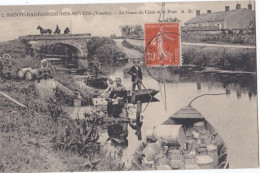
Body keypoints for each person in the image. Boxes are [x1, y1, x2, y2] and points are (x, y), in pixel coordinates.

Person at [107, 78, 128, 146]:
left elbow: (125, 96)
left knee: (118, 104)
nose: (117, 82)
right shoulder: (114, 87)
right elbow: (111, 94)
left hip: (121, 100)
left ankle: (115, 115)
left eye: (118, 81)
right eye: (116, 81)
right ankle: (110, 114)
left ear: (120, 81)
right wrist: (110, 98)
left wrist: (120, 98)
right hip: (115, 99)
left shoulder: (123, 88)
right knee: (109, 103)